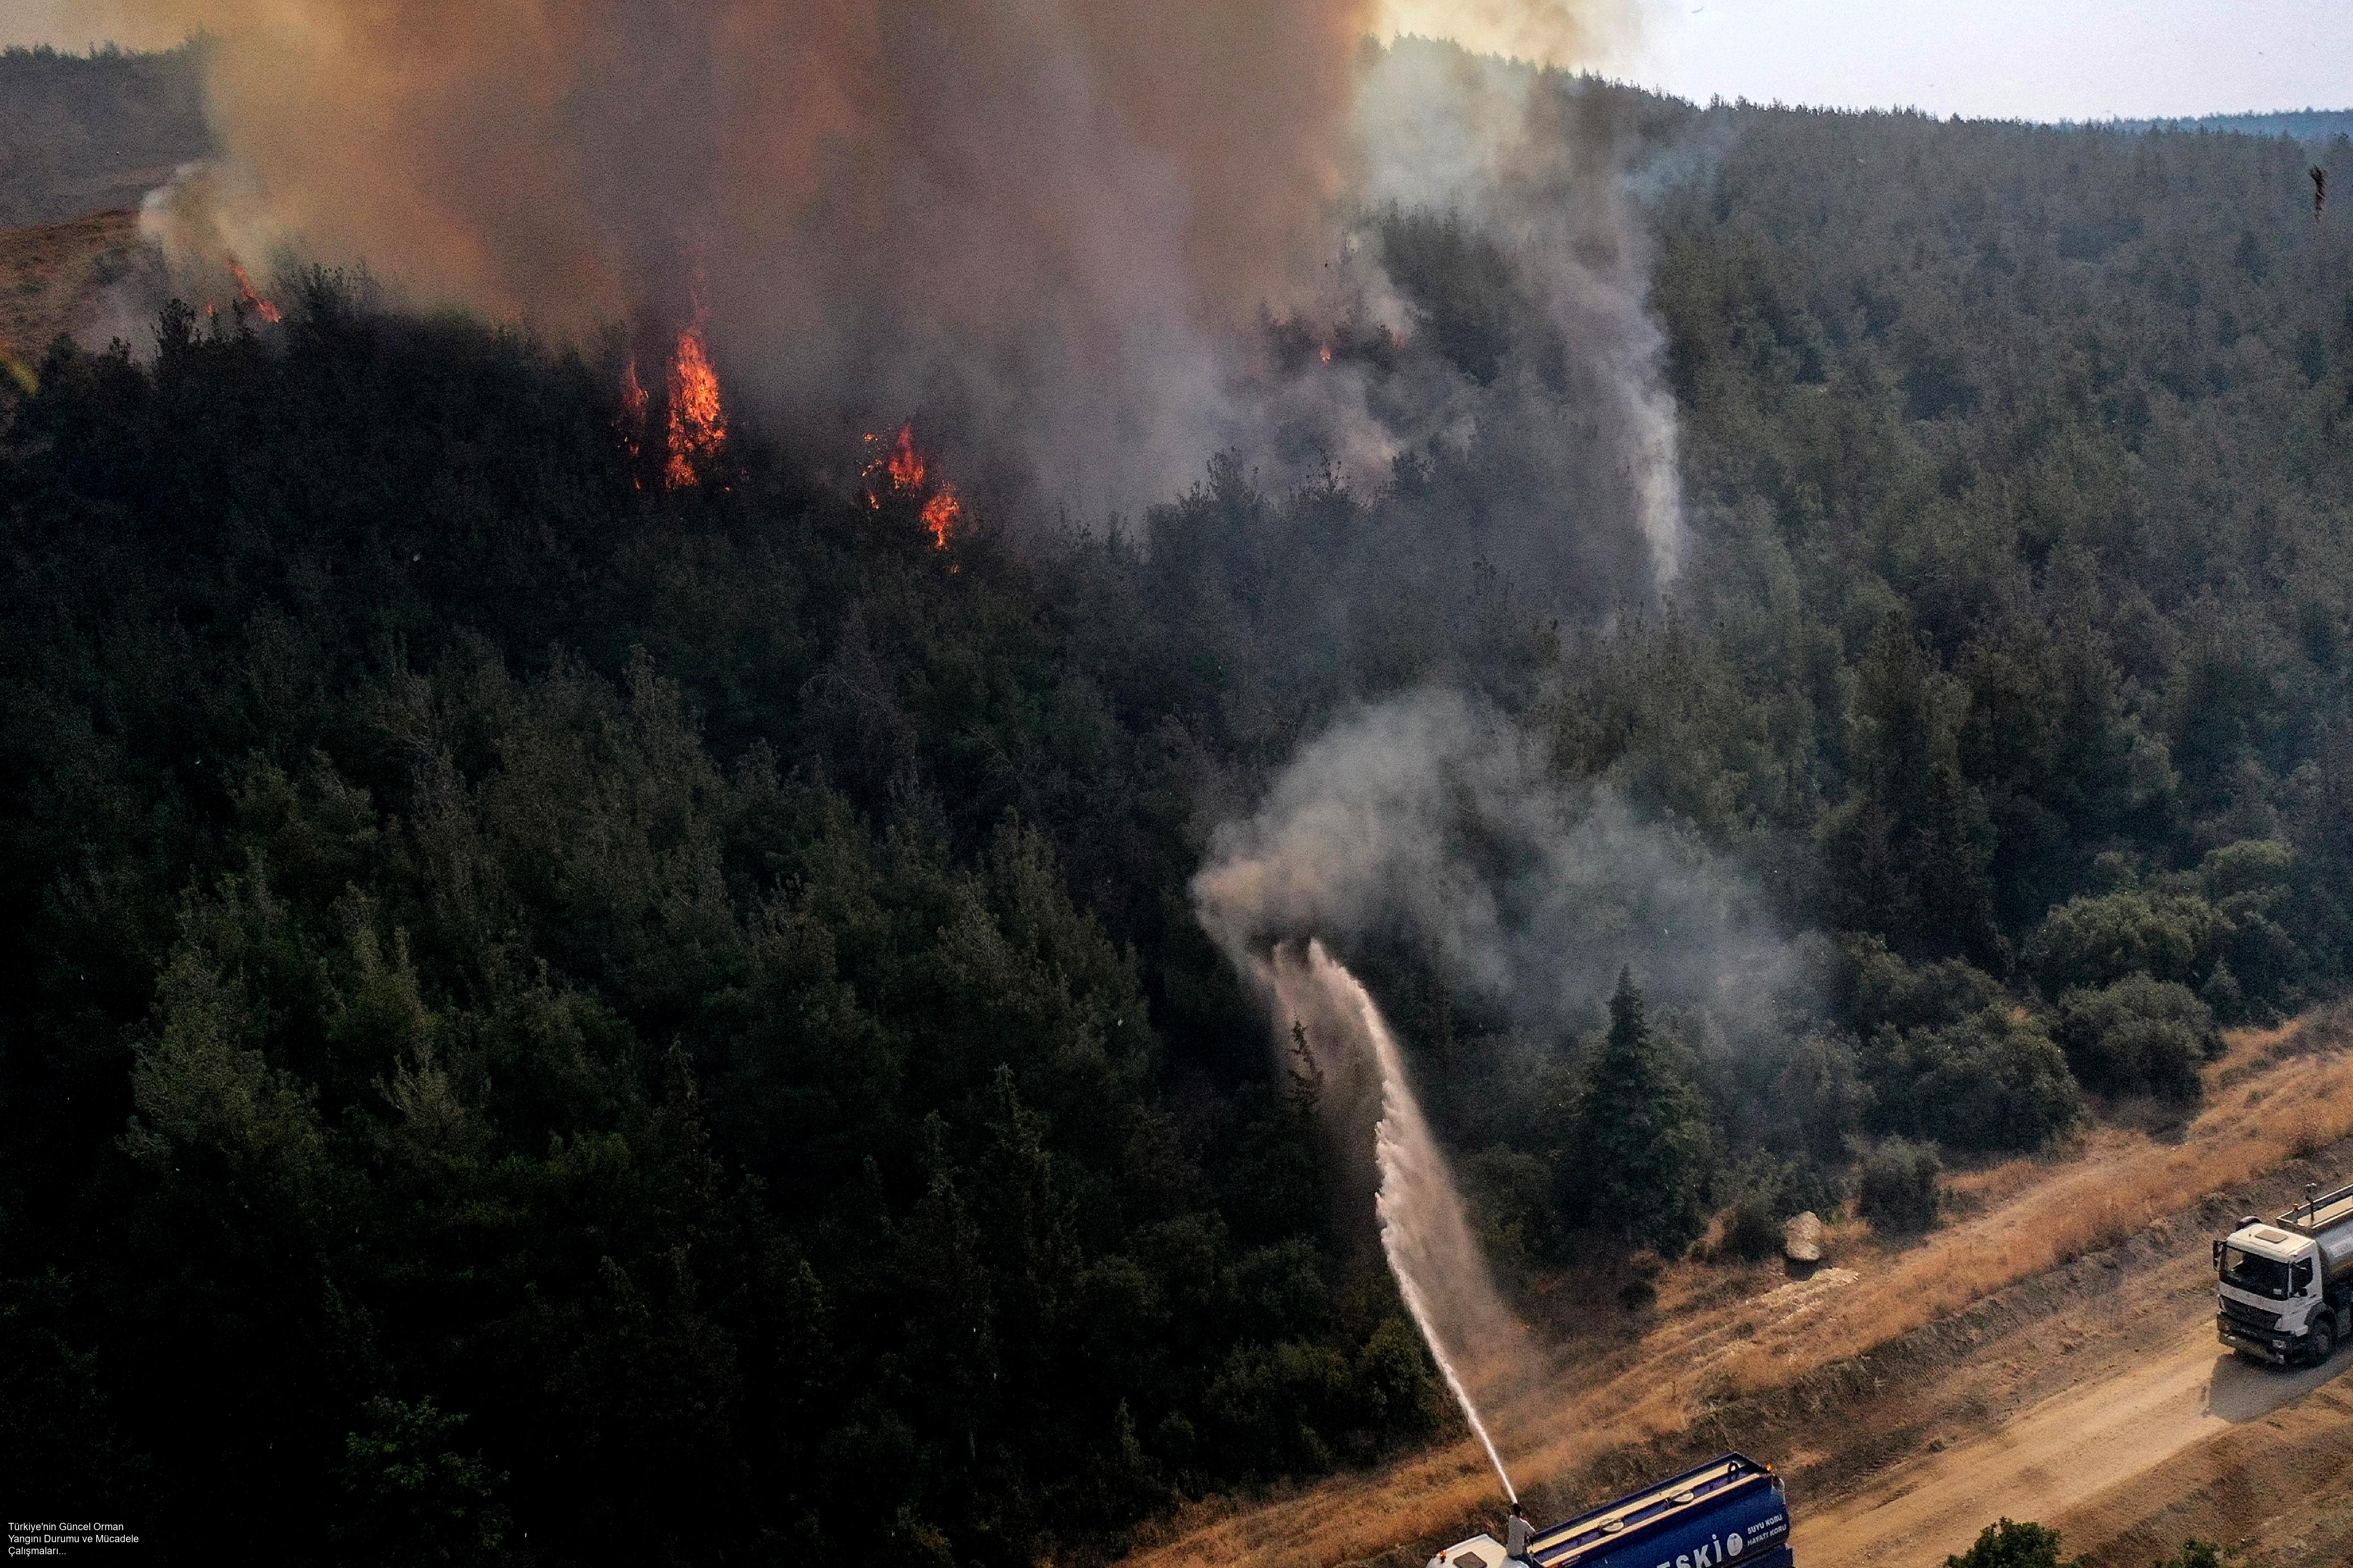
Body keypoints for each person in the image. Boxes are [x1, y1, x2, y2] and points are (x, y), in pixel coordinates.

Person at [1505, 1501, 1535, 1565]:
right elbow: (1533, 1533)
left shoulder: (1511, 1520)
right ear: (1520, 1513)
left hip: (1510, 1552)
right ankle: (1530, 1557)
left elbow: (1517, 1527)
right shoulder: (1524, 1524)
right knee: (1530, 1563)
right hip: (1518, 1554)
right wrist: (1525, 1521)